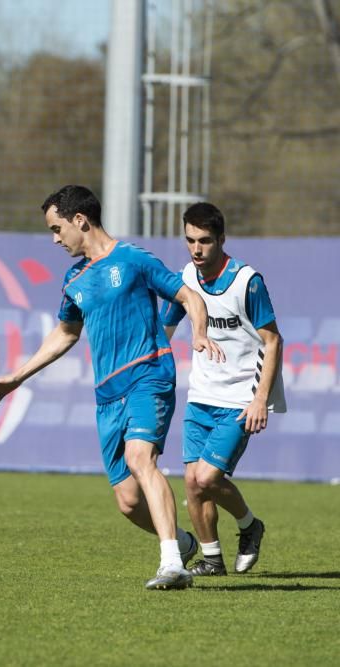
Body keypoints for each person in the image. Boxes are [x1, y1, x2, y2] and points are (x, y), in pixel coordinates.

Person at [0, 185, 224, 590]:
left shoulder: (132, 260)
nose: (55, 239)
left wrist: (198, 333)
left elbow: (188, 296)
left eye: (57, 229)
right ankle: (181, 542)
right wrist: (17, 377)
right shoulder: (74, 279)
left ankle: (172, 565)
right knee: (128, 502)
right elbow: (65, 334)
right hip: (107, 395)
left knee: (139, 457)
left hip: (149, 373)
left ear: (80, 220)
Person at [161, 202, 284, 576]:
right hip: (201, 396)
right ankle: (212, 559)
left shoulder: (248, 281)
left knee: (207, 478)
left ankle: (249, 525)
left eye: (205, 241)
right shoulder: (188, 277)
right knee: (193, 485)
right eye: (190, 240)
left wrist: (261, 399)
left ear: (222, 240)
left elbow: (273, 340)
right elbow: (165, 329)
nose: (196, 249)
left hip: (240, 399)